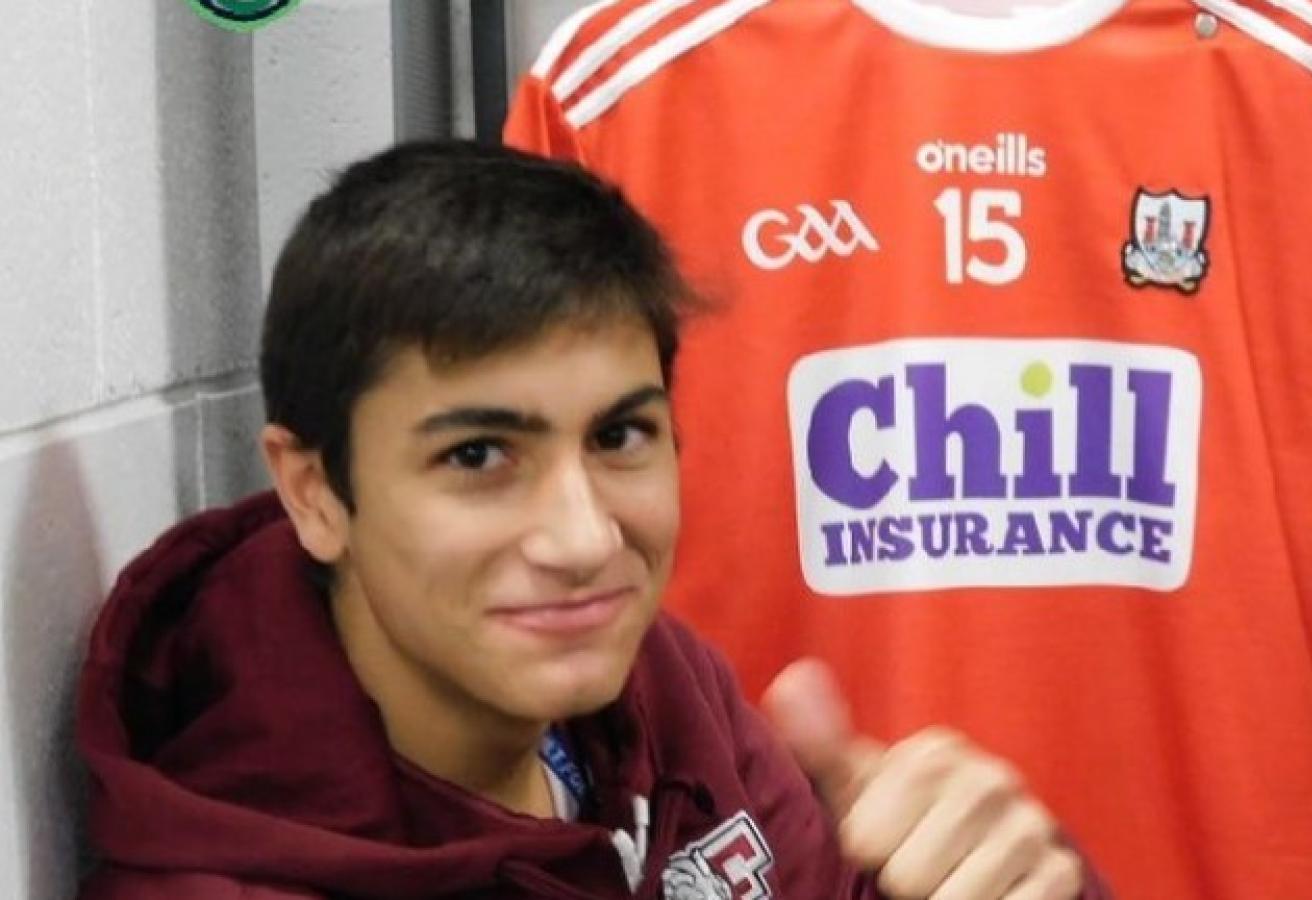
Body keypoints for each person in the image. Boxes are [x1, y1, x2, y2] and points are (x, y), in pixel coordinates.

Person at [75, 141, 1101, 899]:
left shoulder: (663, 698)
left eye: (618, 436)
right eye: (479, 456)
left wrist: (1008, 879)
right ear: (314, 493)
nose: (584, 540)